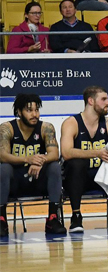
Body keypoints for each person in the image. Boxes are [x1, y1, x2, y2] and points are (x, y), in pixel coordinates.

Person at [60, 86, 108, 234]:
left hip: (104, 177)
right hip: (79, 178)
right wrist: (97, 153)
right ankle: (76, 216)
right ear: (91, 101)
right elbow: (66, 152)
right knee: (76, 164)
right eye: (103, 99)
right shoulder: (72, 122)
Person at [0, 93, 62, 239]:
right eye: (29, 110)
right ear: (19, 112)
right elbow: (3, 156)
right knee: (4, 168)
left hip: (37, 179)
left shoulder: (46, 127)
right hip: (15, 182)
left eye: (36, 110)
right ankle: (1, 219)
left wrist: (40, 161)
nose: (34, 114)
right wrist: (28, 159)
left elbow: (54, 153)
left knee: (54, 167)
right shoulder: (7, 128)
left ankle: (52, 218)